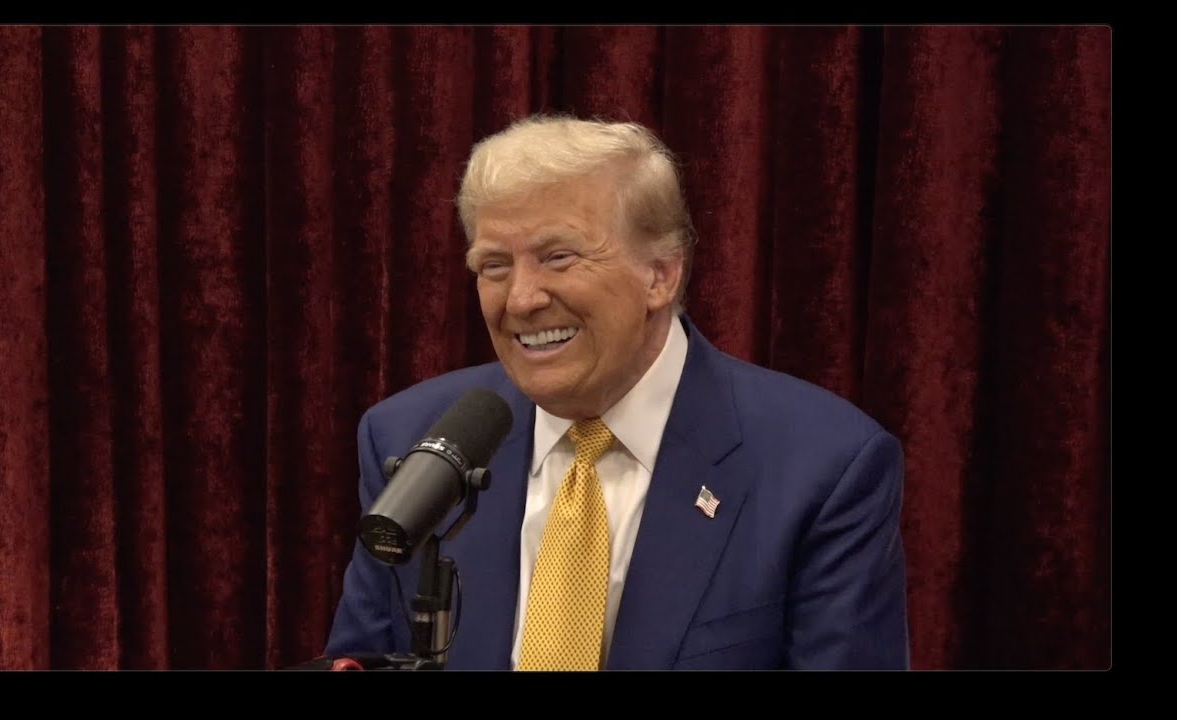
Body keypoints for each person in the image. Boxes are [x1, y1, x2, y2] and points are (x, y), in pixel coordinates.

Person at [325, 114, 909, 670]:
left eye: (559, 257)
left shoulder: (822, 467)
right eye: (494, 266)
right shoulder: (410, 438)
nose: (521, 299)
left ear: (660, 274)